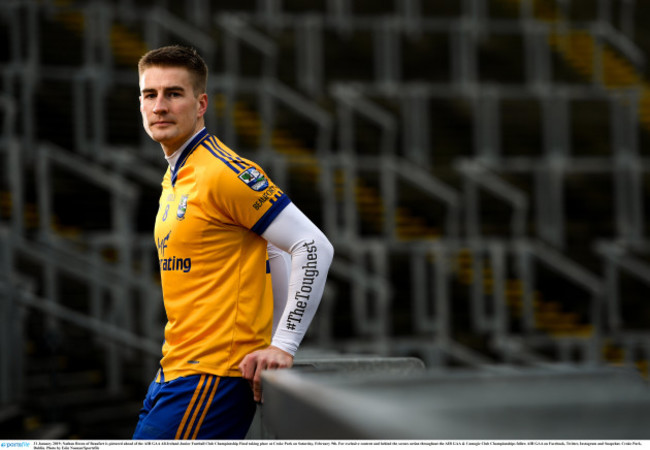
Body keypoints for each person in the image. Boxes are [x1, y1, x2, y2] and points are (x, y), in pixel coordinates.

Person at [132, 45, 334, 440]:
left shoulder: (222, 172)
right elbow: (270, 249)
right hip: (174, 371)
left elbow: (312, 245)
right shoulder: (176, 175)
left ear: (201, 102)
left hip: (212, 376)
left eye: (174, 93)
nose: (159, 106)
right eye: (149, 94)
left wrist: (281, 345)